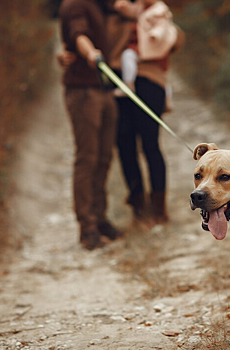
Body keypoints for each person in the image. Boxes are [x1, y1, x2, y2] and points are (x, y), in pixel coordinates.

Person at [108, 0, 184, 226]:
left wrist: (164, 36)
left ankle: (159, 208)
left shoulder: (154, 11)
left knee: (151, 144)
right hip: (119, 83)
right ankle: (139, 206)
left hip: (151, 81)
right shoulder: (111, 16)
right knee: (124, 145)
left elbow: (177, 38)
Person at [58, 0, 124, 249]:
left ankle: (99, 218)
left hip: (103, 90)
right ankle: (87, 229)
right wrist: (91, 54)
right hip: (83, 91)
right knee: (87, 158)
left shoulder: (100, 4)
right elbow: (79, 34)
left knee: (104, 157)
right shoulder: (75, 4)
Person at [113, 0, 177, 110]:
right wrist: (123, 8)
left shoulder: (160, 9)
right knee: (128, 56)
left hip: (151, 45)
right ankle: (128, 83)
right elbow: (131, 11)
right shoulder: (140, 7)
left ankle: (167, 99)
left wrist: (155, 35)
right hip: (143, 47)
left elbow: (162, 26)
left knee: (163, 74)